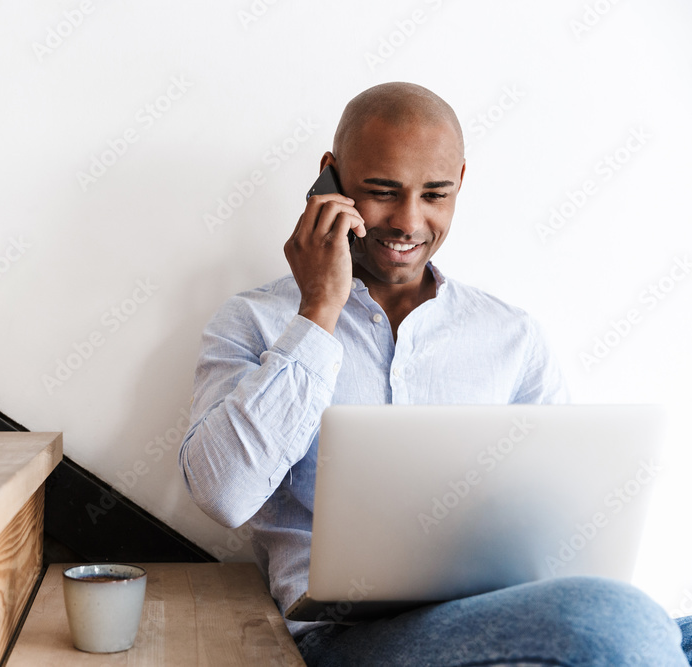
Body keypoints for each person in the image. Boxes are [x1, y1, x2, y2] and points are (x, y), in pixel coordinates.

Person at [179, 82, 692, 665]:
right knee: (617, 619)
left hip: (494, 618)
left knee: (656, 623)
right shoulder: (254, 322)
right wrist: (318, 310)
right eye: (381, 192)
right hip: (339, 639)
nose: (408, 221)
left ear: (461, 184)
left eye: (435, 194)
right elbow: (224, 494)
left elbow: (567, 529)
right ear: (330, 177)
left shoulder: (513, 338)